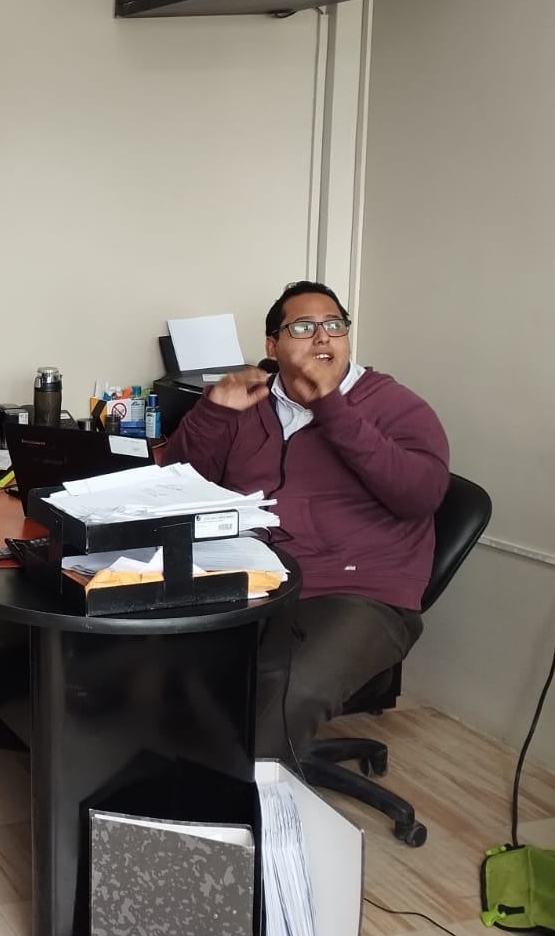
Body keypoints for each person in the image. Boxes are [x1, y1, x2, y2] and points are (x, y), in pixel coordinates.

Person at [162, 280, 449, 759]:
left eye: (334, 325)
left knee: (289, 693)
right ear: (272, 346)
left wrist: (331, 407)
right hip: (251, 579)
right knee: (149, 660)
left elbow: (420, 496)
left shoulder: (396, 406)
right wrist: (212, 412)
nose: (322, 337)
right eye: (303, 327)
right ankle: (168, 782)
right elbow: (178, 485)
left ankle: (247, 803)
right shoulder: (248, 401)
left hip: (357, 593)